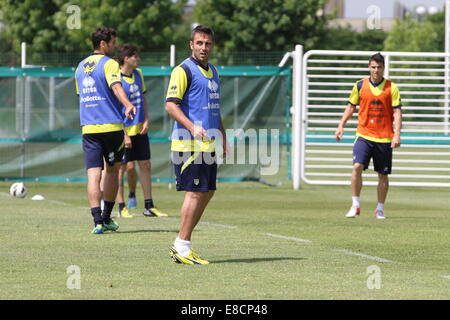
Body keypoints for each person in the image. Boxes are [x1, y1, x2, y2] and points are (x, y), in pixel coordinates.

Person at [165, 25, 226, 264]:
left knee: (207, 192)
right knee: (195, 192)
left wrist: (222, 136)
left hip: (208, 145)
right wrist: (192, 127)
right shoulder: (183, 70)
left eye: (207, 43)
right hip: (188, 145)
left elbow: (214, 108)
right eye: (199, 43)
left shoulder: (213, 71)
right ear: (191, 44)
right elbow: (171, 105)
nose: (203, 47)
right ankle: (181, 245)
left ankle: (184, 244)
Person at [75, 27, 136, 234]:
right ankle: (107, 217)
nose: (115, 46)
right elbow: (116, 87)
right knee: (111, 170)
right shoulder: (109, 64)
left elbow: (81, 97)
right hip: (110, 126)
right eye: (112, 42)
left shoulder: (80, 67)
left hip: (89, 127)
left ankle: (97, 222)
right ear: (103, 44)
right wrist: (128, 104)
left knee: (93, 174)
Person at [335, 52, 402, 220]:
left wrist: (397, 135)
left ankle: (379, 209)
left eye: (379, 67)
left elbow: (397, 112)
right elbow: (351, 107)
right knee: (357, 167)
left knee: (383, 175)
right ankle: (355, 205)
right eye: (373, 67)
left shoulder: (391, 87)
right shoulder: (359, 85)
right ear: (368, 67)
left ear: (383, 68)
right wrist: (341, 125)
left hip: (384, 138)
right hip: (364, 135)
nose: (376, 70)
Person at [115, 44, 168, 218]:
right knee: (121, 169)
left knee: (145, 165)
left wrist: (146, 120)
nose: (138, 59)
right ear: (126, 58)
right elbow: (114, 108)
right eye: (135, 56)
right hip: (124, 132)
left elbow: (143, 98)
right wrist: (123, 133)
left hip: (140, 130)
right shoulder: (116, 79)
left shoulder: (139, 74)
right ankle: (122, 207)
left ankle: (149, 206)